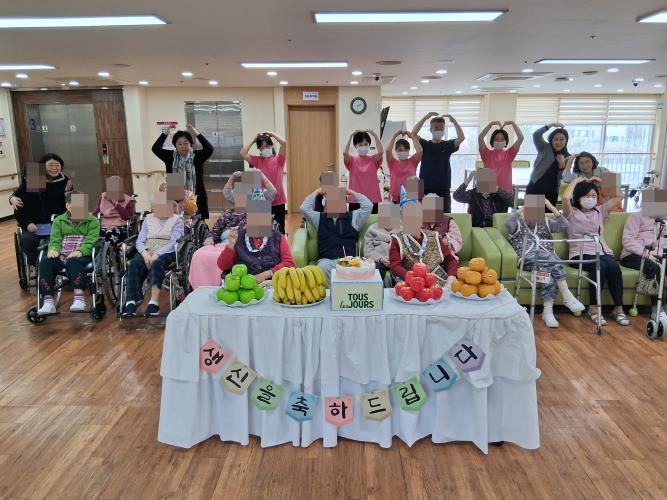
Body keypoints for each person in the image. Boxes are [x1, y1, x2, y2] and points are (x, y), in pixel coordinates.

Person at [188, 170, 275, 289]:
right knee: (199, 255)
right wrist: (210, 238)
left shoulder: (254, 210)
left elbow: (271, 192)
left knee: (220, 258)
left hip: (241, 246)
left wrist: (260, 175)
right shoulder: (227, 214)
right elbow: (215, 230)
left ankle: (220, 285)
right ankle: (202, 287)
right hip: (222, 245)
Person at [505, 198, 585, 327]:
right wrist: (525, 207)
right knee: (551, 259)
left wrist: (550, 206)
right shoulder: (518, 224)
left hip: (545, 262)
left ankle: (547, 312)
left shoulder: (546, 222)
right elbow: (508, 223)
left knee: (547, 272)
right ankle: (567, 295)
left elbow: (564, 225)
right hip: (527, 258)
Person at [563, 177, 627, 326]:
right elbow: (565, 197)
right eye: (587, 196)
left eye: (594, 195)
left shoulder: (600, 210)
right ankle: (593, 308)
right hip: (579, 254)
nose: (591, 199)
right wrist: (576, 181)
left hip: (602, 251)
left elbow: (620, 196)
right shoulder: (571, 213)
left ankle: (618, 309)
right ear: (579, 197)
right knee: (600, 266)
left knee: (614, 267)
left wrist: (602, 180)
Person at [121, 192, 184, 317]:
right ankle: (132, 300)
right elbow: (140, 241)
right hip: (148, 249)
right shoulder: (148, 219)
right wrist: (144, 253)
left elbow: (174, 243)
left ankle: (153, 303)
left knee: (157, 263)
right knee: (135, 263)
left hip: (168, 251)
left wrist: (157, 254)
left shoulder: (177, 220)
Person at [37, 192, 100, 315]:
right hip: (62, 254)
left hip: (83, 255)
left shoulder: (93, 221)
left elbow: (92, 240)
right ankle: (48, 302)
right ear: (68, 206)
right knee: (45, 261)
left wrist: (80, 251)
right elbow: (55, 240)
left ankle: (79, 299)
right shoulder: (59, 221)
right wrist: (53, 249)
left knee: (73, 261)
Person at [300, 185, 372, 285]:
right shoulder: (319, 218)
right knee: (321, 268)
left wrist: (351, 192)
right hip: (327, 261)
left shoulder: (354, 217)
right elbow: (304, 208)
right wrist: (318, 191)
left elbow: (368, 206)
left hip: (349, 261)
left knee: (353, 271)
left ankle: (346, 292)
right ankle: (332, 293)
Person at [217, 192, 294, 284]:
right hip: (242, 285)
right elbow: (223, 266)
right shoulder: (238, 237)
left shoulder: (278, 237)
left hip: (272, 283)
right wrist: (231, 245)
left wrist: (268, 273)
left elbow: (289, 263)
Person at [11, 154, 71, 266]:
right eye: (50, 165)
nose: (54, 168)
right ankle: (38, 265)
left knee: (59, 238)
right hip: (33, 225)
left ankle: (56, 263)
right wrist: (27, 223)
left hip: (55, 223)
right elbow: (20, 207)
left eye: (57, 165)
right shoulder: (31, 181)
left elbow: (72, 199)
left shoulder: (64, 180)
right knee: (28, 240)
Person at [389, 196, 458, 285]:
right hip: (412, 284)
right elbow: (395, 266)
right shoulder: (397, 239)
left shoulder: (434, 236)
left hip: (439, 282)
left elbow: (450, 259)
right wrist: (412, 277)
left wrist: (452, 275)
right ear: (401, 220)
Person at [151, 124, 214, 219]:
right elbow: (155, 148)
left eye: (186, 143)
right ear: (175, 145)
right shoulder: (170, 157)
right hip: (174, 194)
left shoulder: (197, 156)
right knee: (172, 221)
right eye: (179, 144)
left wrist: (195, 133)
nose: (183, 146)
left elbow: (209, 149)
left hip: (195, 195)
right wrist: (166, 133)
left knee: (196, 223)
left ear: (190, 144)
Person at [411, 112, 465, 213]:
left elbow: (461, 138)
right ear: (431, 130)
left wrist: (454, 121)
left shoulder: (447, 145)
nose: (439, 130)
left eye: (441, 128)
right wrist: (425, 117)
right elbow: (413, 133)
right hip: (426, 187)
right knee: (428, 216)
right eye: (436, 128)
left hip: (443, 187)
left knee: (445, 216)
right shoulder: (425, 144)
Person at [621, 210, 666, 323]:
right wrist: (646, 254)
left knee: (658, 264)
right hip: (633, 254)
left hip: (660, 255)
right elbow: (628, 241)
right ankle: (657, 310)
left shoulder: (664, 220)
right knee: (655, 267)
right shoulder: (637, 216)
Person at [240, 131, 287, 233]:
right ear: (259, 149)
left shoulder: (279, 160)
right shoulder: (257, 161)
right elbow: (242, 153)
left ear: (271, 145)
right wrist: (254, 139)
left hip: (278, 200)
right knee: (261, 231)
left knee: (279, 231)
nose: (264, 149)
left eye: (267, 146)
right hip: (261, 199)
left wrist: (271, 133)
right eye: (261, 147)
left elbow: (284, 143)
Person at [525, 123, 570, 206]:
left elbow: (563, 178)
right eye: (555, 139)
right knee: (533, 214)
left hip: (551, 192)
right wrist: (551, 125)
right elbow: (536, 135)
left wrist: (561, 165)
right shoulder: (544, 147)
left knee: (549, 214)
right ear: (551, 140)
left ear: (566, 140)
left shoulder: (567, 157)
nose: (558, 142)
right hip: (535, 188)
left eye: (561, 139)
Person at [343, 129, 384, 213]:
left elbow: (380, 152)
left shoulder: (373, 160)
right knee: (355, 221)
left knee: (372, 221)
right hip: (355, 199)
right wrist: (350, 136)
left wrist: (375, 135)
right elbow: (345, 153)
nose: (363, 146)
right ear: (355, 146)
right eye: (360, 144)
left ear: (369, 145)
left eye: (365, 144)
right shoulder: (352, 160)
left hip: (372, 199)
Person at [478, 120, 524, 192]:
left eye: (502, 139)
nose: (499, 141)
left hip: (505, 191)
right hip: (488, 190)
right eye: (496, 139)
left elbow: (521, 138)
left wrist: (513, 124)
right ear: (492, 141)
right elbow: (480, 138)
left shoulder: (509, 154)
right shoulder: (486, 153)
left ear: (506, 141)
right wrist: (490, 124)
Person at [93, 176, 135, 244]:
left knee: (109, 235)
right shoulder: (103, 197)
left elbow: (127, 217)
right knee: (94, 235)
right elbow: (95, 213)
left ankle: (107, 250)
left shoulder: (128, 200)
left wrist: (116, 204)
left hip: (120, 226)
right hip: (103, 225)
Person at [363, 201, 399, 282]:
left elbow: (407, 249)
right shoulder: (372, 229)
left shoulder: (402, 230)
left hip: (397, 261)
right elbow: (368, 251)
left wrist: (394, 259)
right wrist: (381, 258)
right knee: (374, 270)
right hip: (378, 262)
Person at [386, 130, 422, 204]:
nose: (403, 152)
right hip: (395, 198)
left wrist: (412, 136)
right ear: (396, 151)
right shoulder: (392, 163)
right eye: (400, 150)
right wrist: (395, 135)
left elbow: (420, 151)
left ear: (408, 151)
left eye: (405, 150)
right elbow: (387, 151)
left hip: (410, 197)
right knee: (394, 212)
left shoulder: (413, 161)